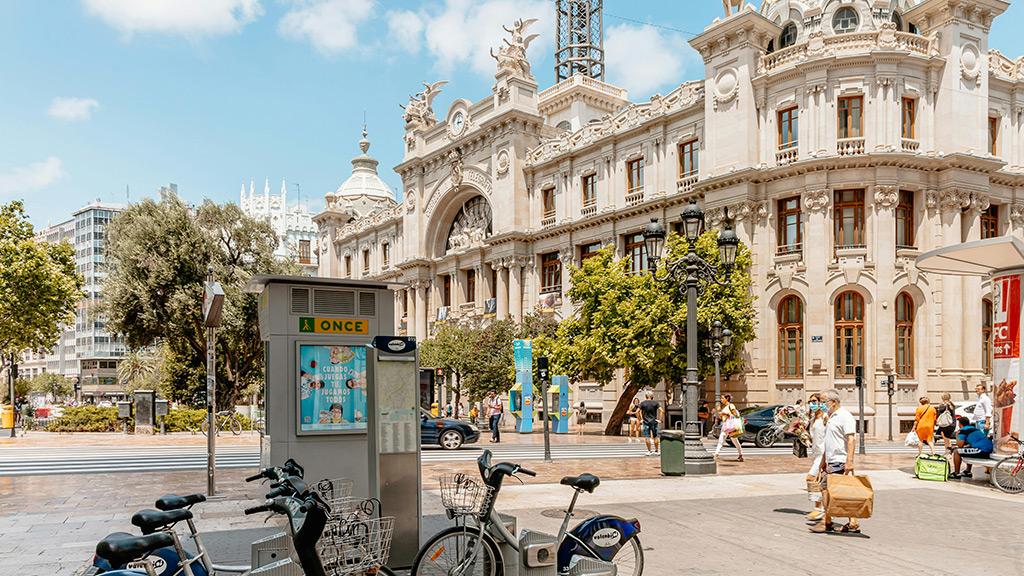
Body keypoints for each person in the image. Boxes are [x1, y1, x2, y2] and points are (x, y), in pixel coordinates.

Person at [810, 389, 860, 534]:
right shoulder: (830, 416)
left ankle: (827, 522)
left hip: (840, 460)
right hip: (831, 460)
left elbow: (851, 439)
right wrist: (823, 461)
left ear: (833, 402)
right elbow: (829, 441)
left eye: (824, 402)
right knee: (838, 492)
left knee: (825, 490)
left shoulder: (845, 416)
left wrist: (849, 461)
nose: (821, 405)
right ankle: (852, 522)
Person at [805, 393, 828, 522]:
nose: (811, 404)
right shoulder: (813, 418)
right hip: (815, 454)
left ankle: (818, 509)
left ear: (821, 402)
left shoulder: (825, 417)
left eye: (814, 401)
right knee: (820, 483)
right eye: (810, 402)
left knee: (811, 478)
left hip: (823, 454)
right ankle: (821, 509)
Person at [713, 393, 744, 462]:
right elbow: (722, 417)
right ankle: (716, 454)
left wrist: (725, 414)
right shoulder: (725, 407)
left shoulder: (731, 405)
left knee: (735, 441)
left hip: (731, 426)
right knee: (721, 440)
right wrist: (719, 411)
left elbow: (735, 414)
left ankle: (740, 455)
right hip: (726, 425)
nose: (721, 400)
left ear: (726, 399)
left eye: (722, 398)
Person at [638, 391, 663, 455]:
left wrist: (640, 419)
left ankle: (649, 451)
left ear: (646, 396)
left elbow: (637, 411)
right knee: (655, 436)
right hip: (654, 422)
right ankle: (657, 450)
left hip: (646, 422)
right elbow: (662, 410)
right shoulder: (655, 403)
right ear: (652, 396)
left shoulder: (643, 403)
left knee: (647, 437)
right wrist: (659, 420)